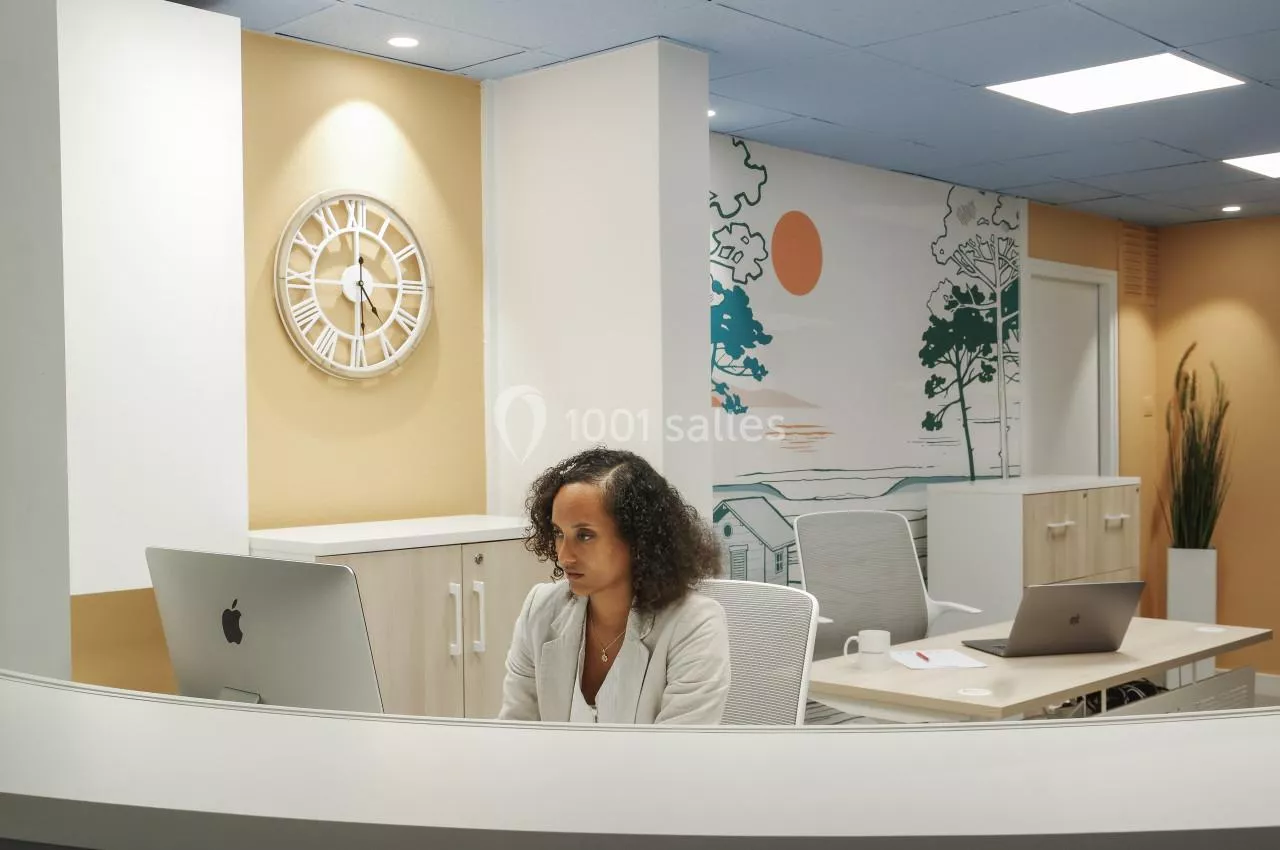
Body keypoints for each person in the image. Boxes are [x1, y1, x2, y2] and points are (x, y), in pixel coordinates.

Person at [498, 447, 731, 724]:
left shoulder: (695, 624)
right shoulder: (540, 609)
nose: (563, 555)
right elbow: (516, 731)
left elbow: (677, 749)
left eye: (584, 535)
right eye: (559, 533)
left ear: (638, 538)